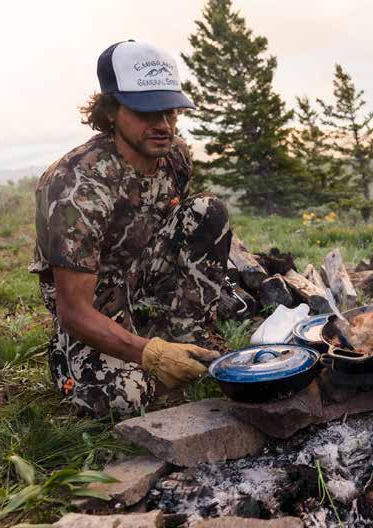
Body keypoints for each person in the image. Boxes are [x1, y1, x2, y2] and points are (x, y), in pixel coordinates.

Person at [29, 40, 230, 417]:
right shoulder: (76, 187)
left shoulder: (175, 155)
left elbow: (174, 229)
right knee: (128, 395)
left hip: (139, 271)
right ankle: (67, 358)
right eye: (145, 112)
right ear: (110, 111)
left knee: (207, 211)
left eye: (170, 111)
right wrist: (150, 353)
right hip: (91, 299)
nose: (163, 125)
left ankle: (188, 334)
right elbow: (73, 309)